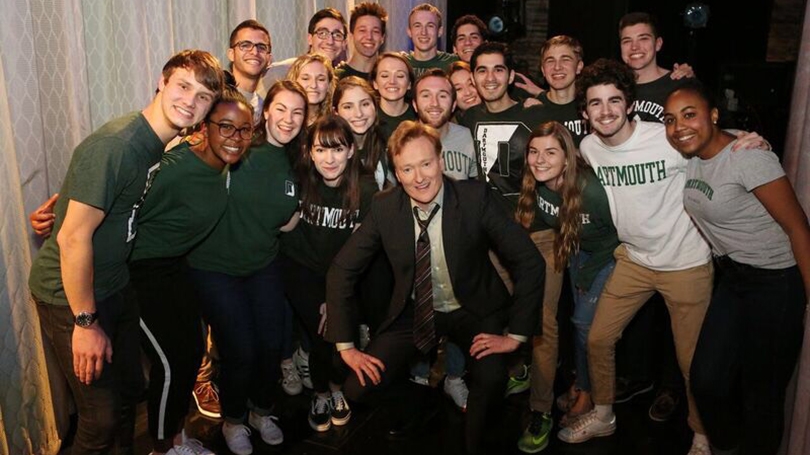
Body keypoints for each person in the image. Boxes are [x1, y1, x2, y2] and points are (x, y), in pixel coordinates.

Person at [558, 58, 766, 455]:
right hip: (634, 260)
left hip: (685, 263)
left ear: (630, 104)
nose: (606, 111)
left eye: (614, 100)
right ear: (584, 113)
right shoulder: (589, 147)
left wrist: (748, 137)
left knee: (692, 363)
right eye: (596, 103)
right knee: (598, 339)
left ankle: (702, 434)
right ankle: (604, 415)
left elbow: (710, 140)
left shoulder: (663, 138)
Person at [28, 49, 223, 455]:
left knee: (126, 399)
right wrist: (85, 322)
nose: (190, 100)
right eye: (183, 86)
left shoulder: (156, 144)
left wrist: (68, 199)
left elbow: (110, 195)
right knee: (97, 425)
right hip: (72, 299)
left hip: (116, 286)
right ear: (161, 82)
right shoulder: (117, 144)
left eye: (203, 95)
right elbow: (73, 239)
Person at [325, 120, 545, 454]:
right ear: (397, 174)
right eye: (407, 169)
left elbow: (529, 261)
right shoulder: (386, 208)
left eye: (426, 164)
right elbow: (342, 269)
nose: (419, 177)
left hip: (474, 308)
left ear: (441, 161)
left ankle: (474, 444)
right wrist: (346, 346)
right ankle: (421, 406)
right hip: (417, 309)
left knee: (490, 379)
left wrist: (515, 335)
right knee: (358, 387)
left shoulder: (474, 197)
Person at [664, 82, 810, 455]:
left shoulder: (749, 158)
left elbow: (798, 228)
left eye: (690, 114)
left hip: (776, 283)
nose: (679, 126)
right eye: (670, 119)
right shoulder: (691, 154)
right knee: (707, 380)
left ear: (713, 115)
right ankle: (726, 447)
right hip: (733, 279)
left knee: (762, 394)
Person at [185, 80, 307, 455]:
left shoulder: (297, 160)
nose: (288, 119)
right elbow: (186, 162)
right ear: (265, 111)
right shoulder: (238, 145)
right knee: (240, 349)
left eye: (298, 112)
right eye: (281, 109)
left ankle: (261, 412)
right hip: (214, 266)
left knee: (271, 345)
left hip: (263, 263)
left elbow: (291, 215)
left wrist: (288, 219)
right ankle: (233, 420)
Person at [460, 42, 563, 438]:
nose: (490, 78)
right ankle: (516, 371)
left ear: (510, 74)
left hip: (539, 236)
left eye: (498, 70)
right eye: (481, 70)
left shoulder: (534, 114)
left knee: (543, 324)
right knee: (497, 317)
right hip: (490, 243)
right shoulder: (467, 118)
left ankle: (541, 408)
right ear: (472, 76)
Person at [514, 122, 619, 453]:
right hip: (574, 250)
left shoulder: (590, 190)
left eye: (550, 152)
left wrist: (588, 274)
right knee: (577, 325)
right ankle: (580, 383)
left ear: (568, 156)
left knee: (585, 325)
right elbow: (546, 225)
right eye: (534, 152)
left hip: (606, 254)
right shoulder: (540, 186)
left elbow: (617, 234)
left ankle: (590, 396)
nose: (539, 160)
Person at [280, 115, 378, 432]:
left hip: (343, 274)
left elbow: (359, 252)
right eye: (321, 150)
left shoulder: (365, 187)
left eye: (337, 149)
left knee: (340, 329)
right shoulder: (301, 179)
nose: (329, 159)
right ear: (309, 152)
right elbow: (285, 229)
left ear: (351, 150)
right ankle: (322, 394)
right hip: (301, 269)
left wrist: (333, 296)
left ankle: (336, 389)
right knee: (324, 334)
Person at [619, 12, 694, 123]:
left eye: (643, 39)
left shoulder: (680, 84)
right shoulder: (614, 87)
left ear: (658, 44)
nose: (634, 47)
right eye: (627, 41)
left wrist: (692, 82)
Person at [413, 69, 477, 180]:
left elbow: (476, 186)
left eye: (442, 96)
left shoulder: (468, 136)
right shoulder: (402, 141)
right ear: (414, 104)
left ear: (453, 105)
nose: (434, 103)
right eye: (426, 96)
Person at [332, 76, 392, 190]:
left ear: (375, 106)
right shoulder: (328, 146)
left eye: (365, 104)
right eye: (348, 107)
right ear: (336, 112)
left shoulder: (387, 139)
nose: (358, 114)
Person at [264, 8, 348, 86]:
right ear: (310, 39)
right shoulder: (281, 72)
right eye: (322, 33)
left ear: (344, 43)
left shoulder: (341, 80)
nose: (330, 41)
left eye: (337, 35)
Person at [533, 35, 589, 146]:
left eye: (565, 60)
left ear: (579, 66)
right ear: (543, 70)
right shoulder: (533, 110)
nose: (557, 67)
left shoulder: (592, 106)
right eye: (550, 61)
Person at [227, 20, 273, 125]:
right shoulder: (216, 99)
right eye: (245, 45)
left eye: (261, 47)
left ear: (269, 59)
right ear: (231, 54)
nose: (254, 52)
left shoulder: (266, 109)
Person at [371, 52, 417, 140]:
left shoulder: (420, 116)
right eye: (385, 76)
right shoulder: (367, 117)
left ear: (409, 84)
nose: (392, 81)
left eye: (400, 76)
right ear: (375, 83)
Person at [404, 3, 459, 77]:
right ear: (409, 32)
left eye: (430, 26)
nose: (423, 32)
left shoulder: (454, 63)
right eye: (417, 26)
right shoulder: (401, 63)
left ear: (440, 31)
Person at [335, 2, 387, 80]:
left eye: (375, 31)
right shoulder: (337, 77)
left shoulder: (388, 79)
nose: (369, 37)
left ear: (382, 38)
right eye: (362, 30)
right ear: (351, 36)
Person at [287, 53, 335, 128]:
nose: (314, 85)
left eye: (321, 79)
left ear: (329, 85)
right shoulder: (284, 122)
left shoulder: (334, 125)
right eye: (306, 78)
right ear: (294, 81)